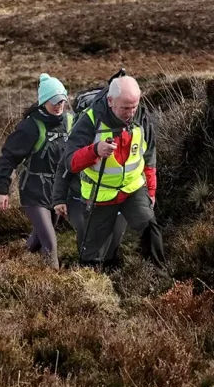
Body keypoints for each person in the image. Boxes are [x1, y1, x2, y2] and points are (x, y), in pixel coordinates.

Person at [64, 75, 165, 268]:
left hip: (132, 189)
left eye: (134, 106)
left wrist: (151, 191)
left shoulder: (141, 117)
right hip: (101, 194)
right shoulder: (90, 121)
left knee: (150, 227)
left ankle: (159, 279)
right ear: (110, 101)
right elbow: (70, 162)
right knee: (91, 253)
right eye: (125, 108)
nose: (131, 112)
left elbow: (149, 155)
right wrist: (95, 151)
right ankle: (89, 288)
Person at [0, 74, 73, 270]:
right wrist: (2, 190)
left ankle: (11, 265)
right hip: (34, 191)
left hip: (57, 192)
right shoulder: (30, 127)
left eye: (62, 101)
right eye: (54, 102)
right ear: (44, 101)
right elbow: (7, 158)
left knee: (39, 238)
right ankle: (52, 287)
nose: (59, 106)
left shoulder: (71, 122)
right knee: (50, 243)